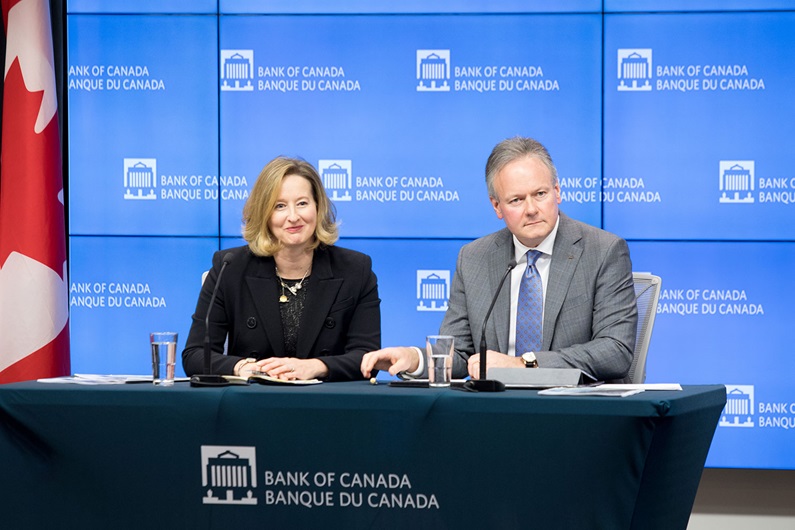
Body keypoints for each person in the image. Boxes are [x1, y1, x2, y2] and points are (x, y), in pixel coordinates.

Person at [361, 136, 637, 383]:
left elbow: (615, 350)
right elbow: (463, 355)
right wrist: (416, 359)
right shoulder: (474, 258)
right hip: (496, 411)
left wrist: (522, 364)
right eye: (516, 200)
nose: (531, 209)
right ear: (497, 207)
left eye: (540, 194)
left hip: (576, 413)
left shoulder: (603, 250)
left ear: (557, 191)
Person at [183, 156, 380, 381]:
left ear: (318, 207)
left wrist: (315, 367)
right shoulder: (230, 267)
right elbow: (195, 355)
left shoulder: (355, 269)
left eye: (302, 203)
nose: (293, 217)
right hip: (253, 405)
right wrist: (241, 367)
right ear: (264, 214)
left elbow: (368, 358)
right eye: (280, 206)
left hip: (325, 405)